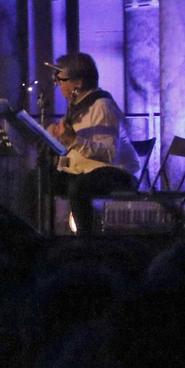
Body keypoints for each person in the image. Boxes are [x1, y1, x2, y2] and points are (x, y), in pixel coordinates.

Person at [47, 52, 140, 234]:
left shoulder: (102, 106)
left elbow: (109, 154)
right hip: (84, 171)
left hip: (117, 172)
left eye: (61, 80)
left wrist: (73, 140)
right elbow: (75, 150)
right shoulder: (77, 107)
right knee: (38, 179)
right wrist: (55, 138)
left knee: (78, 187)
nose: (58, 84)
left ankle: (86, 240)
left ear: (78, 83)